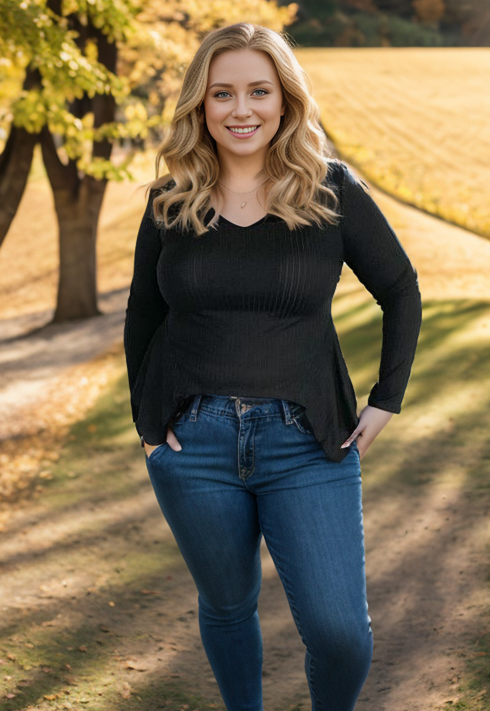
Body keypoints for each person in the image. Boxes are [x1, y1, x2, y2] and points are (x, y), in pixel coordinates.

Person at [123, 22, 422, 711]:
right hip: (190, 445)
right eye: (221, 93)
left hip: (306, 440)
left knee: (339, 632)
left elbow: (400, 288)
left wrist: (386, 397)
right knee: (227, 605)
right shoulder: (169, 202)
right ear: (200, 105)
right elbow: (143, 314)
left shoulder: (330, 192)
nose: (240, 109)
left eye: (258, 90)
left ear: (284, 100)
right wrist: (146, 421)